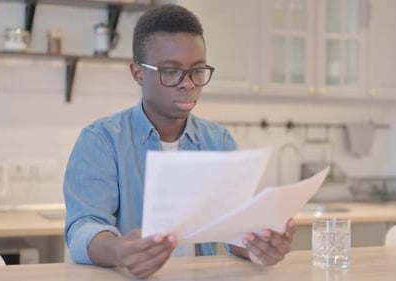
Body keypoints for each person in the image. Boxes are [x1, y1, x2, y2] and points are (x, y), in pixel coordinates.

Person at [63, 4, 296, 279]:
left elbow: (234, 232)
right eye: (171, 71)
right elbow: (83, 228)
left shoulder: (218, 141)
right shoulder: (101, 141)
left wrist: (260, 246)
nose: (188, 83)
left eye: (197, 70)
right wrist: (120, 250)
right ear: (138, 73)